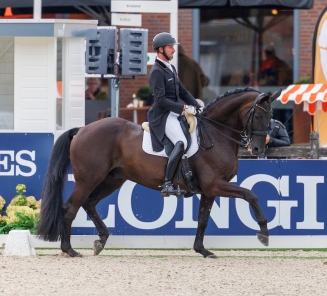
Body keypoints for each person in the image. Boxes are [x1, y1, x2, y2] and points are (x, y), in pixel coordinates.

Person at [147, 32, 203, 197]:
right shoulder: (157, 71)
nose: (173, 50)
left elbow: (183, 91)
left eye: (173, 47)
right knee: (181, 141)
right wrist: (184, 109)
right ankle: (166, 183)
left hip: (174, 113)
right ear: (161, 49)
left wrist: (196, 105)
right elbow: (161, 100)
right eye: (171, 47)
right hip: (162, 116)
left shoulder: (170, 67)